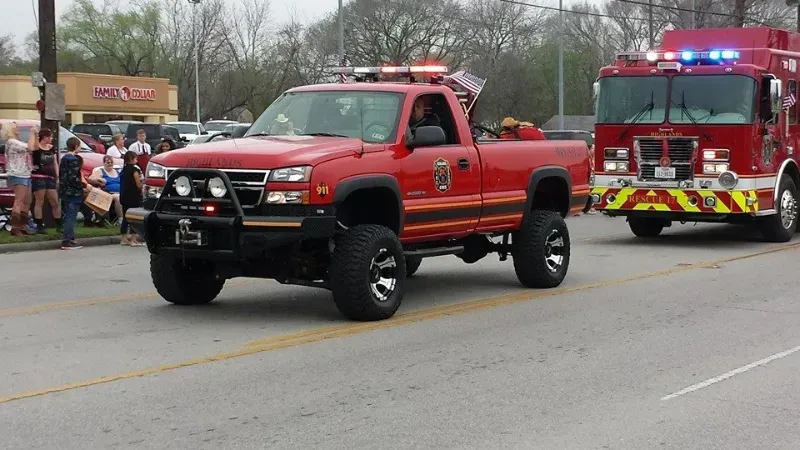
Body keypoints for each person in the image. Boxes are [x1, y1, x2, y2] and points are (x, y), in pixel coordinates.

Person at [3, 122, 37, 237]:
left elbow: (34, 148)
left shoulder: (18, 141)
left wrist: (35, 136)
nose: (17, 127)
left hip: (26, 173)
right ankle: (15, 227)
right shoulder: (12, 142)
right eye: (14, 126)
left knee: (27, 201)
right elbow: (30, 147)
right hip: (18, 173)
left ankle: (23, 225)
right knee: (19, 201)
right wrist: (32, 133)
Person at [58, 137, 87, 250]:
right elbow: (74, 177)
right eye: (79, 146)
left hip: (64, 190)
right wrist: (82, 186)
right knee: (71, 216)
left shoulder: (64, 158)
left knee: (68, 215)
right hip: (73, 192)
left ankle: (71, 237)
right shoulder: (74, 160)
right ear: (75, 146)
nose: (80, 148)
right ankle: (67, 240)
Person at [31, 128, 61, 234]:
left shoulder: (52, 148)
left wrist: (57, 176)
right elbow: (33, 148)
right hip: (38, 176)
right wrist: (34, 134)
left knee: (55, 201)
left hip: (50, 177)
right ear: (45, 137)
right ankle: (39, 224)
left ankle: (59, 224)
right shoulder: (37, 147)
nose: (52, 138)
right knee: (39, 201)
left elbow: (55, 163)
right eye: (50, 136)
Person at [88, 155, 123, 224]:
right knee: (118, 198)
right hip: (109, 193)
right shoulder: (101, 171)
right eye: (108, 162)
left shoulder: (117, 172)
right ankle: (121, 219)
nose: (110, 164)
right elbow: (90, 179)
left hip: (121, 192)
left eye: (111, 162)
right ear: (104, 163)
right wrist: (100, 179)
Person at [119, 151, 144, 246]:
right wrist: (142, 184)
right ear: (131, 159)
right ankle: (134, 239)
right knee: (134, 217)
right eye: (135, 158)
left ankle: (124, 238)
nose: (137, 160)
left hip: (124, 196)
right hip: (133, 196)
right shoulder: (134, 170)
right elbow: (138, 184)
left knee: (126, 218)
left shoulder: (123, 170)